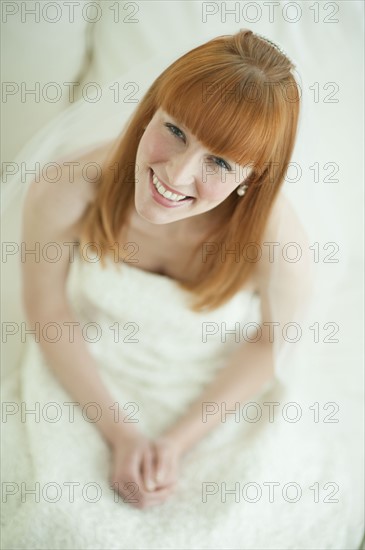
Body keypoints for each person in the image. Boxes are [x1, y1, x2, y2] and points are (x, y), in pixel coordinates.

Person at [1, 29, 355, 549]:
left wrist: (175, 442)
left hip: (210, 392)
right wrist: (120, 433)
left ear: (249, 181)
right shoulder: (66, 188)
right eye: (176, 130)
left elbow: (271, 342)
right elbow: (47, 306)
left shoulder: (279, 247)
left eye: (219, 163)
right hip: (86, 369)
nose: (177, 173)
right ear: (151, 109)